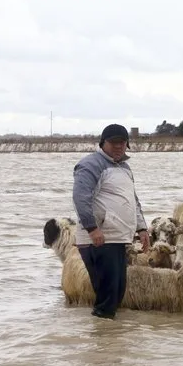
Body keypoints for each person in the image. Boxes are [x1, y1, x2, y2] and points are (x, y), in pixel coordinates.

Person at [72, 123, 150, 319]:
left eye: (122, 142)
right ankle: (101, 338)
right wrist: (92, 228)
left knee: (117, 292)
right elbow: (80, 198)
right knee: (107, 295)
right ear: (103, 143)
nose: (118, 146)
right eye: (113, 142)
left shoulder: (124, 167)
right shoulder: (91, 164)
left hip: (118, 237)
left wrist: (141, 228)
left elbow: (133, 200)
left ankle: (109, 342)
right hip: (99, 239)